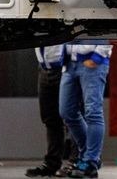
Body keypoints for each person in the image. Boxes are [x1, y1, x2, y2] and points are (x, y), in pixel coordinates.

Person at [59, 40, 113, 178]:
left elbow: (108, 32)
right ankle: (87, 157)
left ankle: (91, 161)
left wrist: (98, 57)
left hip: (93, 62)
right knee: (67, 112)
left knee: (93, 113)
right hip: (70, 64)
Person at [28, 44, 77, 177]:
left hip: (65, 67)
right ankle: (52, 163)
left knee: (70, 117)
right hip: (44, 67)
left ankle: (75, 161)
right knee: (50, 118)